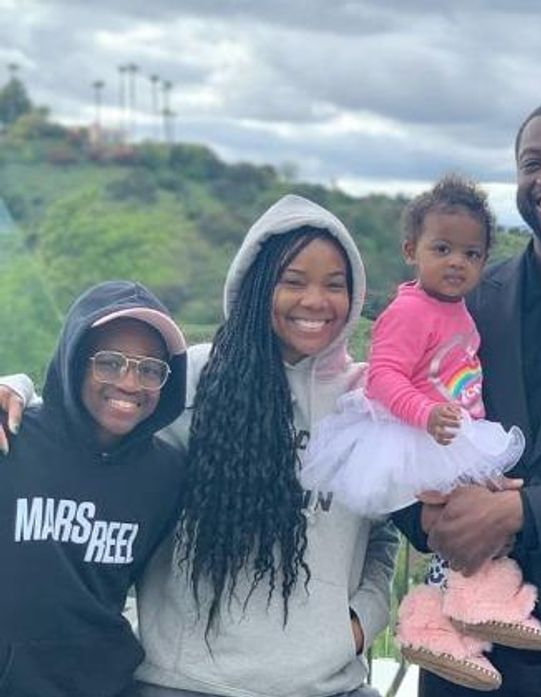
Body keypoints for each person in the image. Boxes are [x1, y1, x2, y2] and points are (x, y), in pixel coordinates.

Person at [0, 194, 398, 697]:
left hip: (328, 685)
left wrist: (361, 622)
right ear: (255, 287)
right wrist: (19, 386)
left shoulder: (368, 402)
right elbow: (94, 417)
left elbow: (384, 533)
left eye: (334, 284)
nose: (315, 300)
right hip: (186, 684)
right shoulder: (193, 378)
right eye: (292, 281)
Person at [391, 98, 541, 696]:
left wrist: (524, 512)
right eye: (531, 163)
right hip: (463, 644)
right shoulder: (462, 298)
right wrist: (432, 519)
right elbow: (390, 413)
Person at [299, 175, 539, 691]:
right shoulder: (410, 310)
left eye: (472, 254)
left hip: (453, 431)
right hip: (417, 433)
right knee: (456, 521)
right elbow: (383, 375)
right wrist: (423, 414)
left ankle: (470, 613)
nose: (457, 262)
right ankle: (431, 622)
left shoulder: (457, 309)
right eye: (443, 249)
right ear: (413, 250)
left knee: (477, 518)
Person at [0, 280, 187, 697]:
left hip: (107, 685)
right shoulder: (11, 438)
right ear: (74, 360)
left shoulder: (167, 474)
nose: (130, 382)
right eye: (109, 362)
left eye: (149, 368)